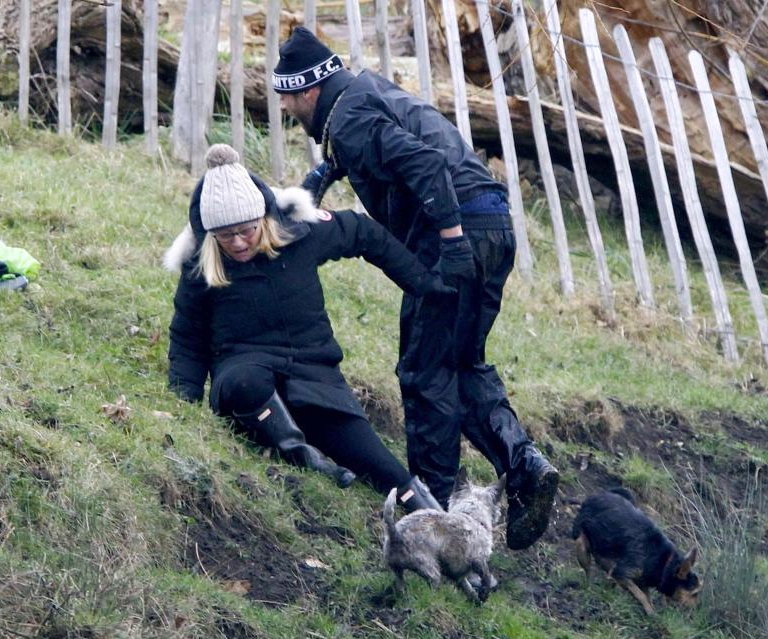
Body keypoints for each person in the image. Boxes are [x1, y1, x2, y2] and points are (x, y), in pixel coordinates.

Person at [272, 27, 560, 551]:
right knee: (460, 362)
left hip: (456, 233)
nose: (289, 108)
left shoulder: (351, 118)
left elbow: (425, 165)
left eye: (289, 97)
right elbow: (391, 145)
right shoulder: (363, 94)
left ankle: (431, 510)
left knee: (425, 372)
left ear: (310, 90)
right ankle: (525, 466)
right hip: (494, 225)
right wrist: (321, 175)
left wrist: (450, 241)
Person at [165, 143, 443, 512]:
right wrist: (182, 406)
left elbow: (365, 233)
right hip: (247, 379)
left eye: (246, 230)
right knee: (243, 383)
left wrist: (426, 285)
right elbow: (187, 339)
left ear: (262, 218)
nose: (237, 242)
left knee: (385, 468)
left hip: (314, 378)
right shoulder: (201, 267)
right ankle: (303, 456)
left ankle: (443, 529)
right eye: (225, 236)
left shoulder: (301, 234)